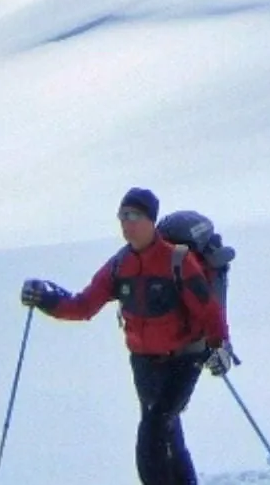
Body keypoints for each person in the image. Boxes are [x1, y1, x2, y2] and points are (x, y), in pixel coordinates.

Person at [21, 187, 231, 485]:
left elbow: (208, 310)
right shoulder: (120, 264)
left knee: (153, 431)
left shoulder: (179, 260)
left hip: (184, 358)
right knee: (167, 428)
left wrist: (219, 347)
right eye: (122, 216)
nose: (126, 224)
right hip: (144, 363)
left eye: (133, 216)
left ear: (150, 220)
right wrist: (45, 299)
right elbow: (83, 306)